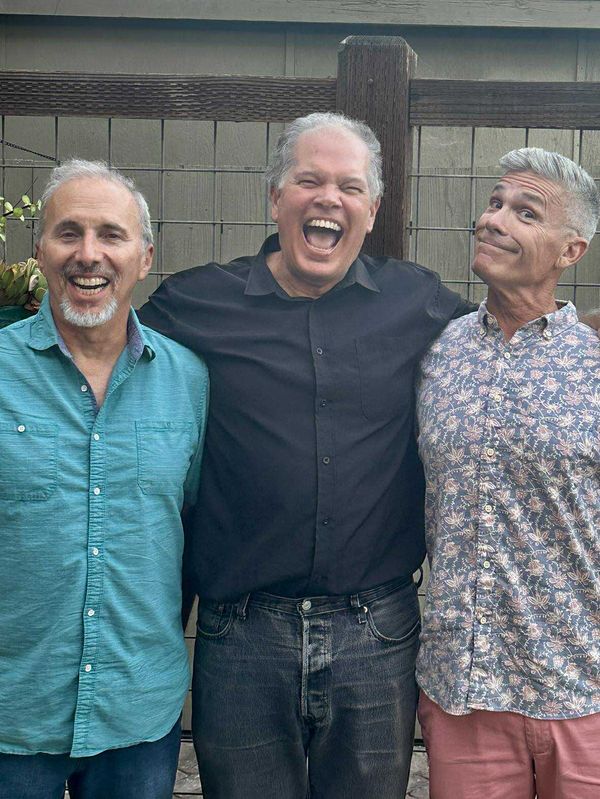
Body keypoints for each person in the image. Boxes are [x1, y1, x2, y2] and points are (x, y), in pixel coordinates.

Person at [139, 112, 471, 799]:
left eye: (350, 187)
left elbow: (512, 336)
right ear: (275, 198)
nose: (329, 199)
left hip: (375, 631)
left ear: (372, 211)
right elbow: (106, 353)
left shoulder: (416, 301)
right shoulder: (194, 303)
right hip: (242, 632)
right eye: (309, 180)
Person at [0, 160, 209, 799]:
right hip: (13, 711)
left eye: (111, 235)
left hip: (137, 708)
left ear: (145, 258)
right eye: (69, 233)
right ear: (40, 252)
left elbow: (191, 525)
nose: (88, 255)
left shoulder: (188, 380)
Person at [416, 147, 600, 799]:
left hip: (585, 694)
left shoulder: (594, 361)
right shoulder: (435, 353)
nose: (494, 219)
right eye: (495, 203)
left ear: (570, 251)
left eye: (526, 212)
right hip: (463, 695)